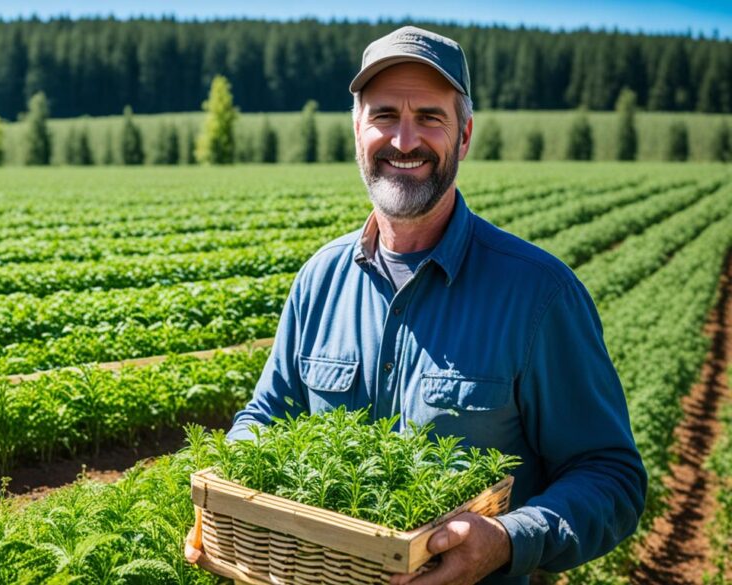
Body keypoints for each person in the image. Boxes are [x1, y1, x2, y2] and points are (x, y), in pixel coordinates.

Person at [185, 26, 647, 585]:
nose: (404, 141)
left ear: (466, 135)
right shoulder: (319, 281)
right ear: (357, 129)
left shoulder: (538, 295)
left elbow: (610, 475)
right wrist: (229, 491)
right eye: (384, 115)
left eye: (430, 116)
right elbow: (267, 415)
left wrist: (506, 540)